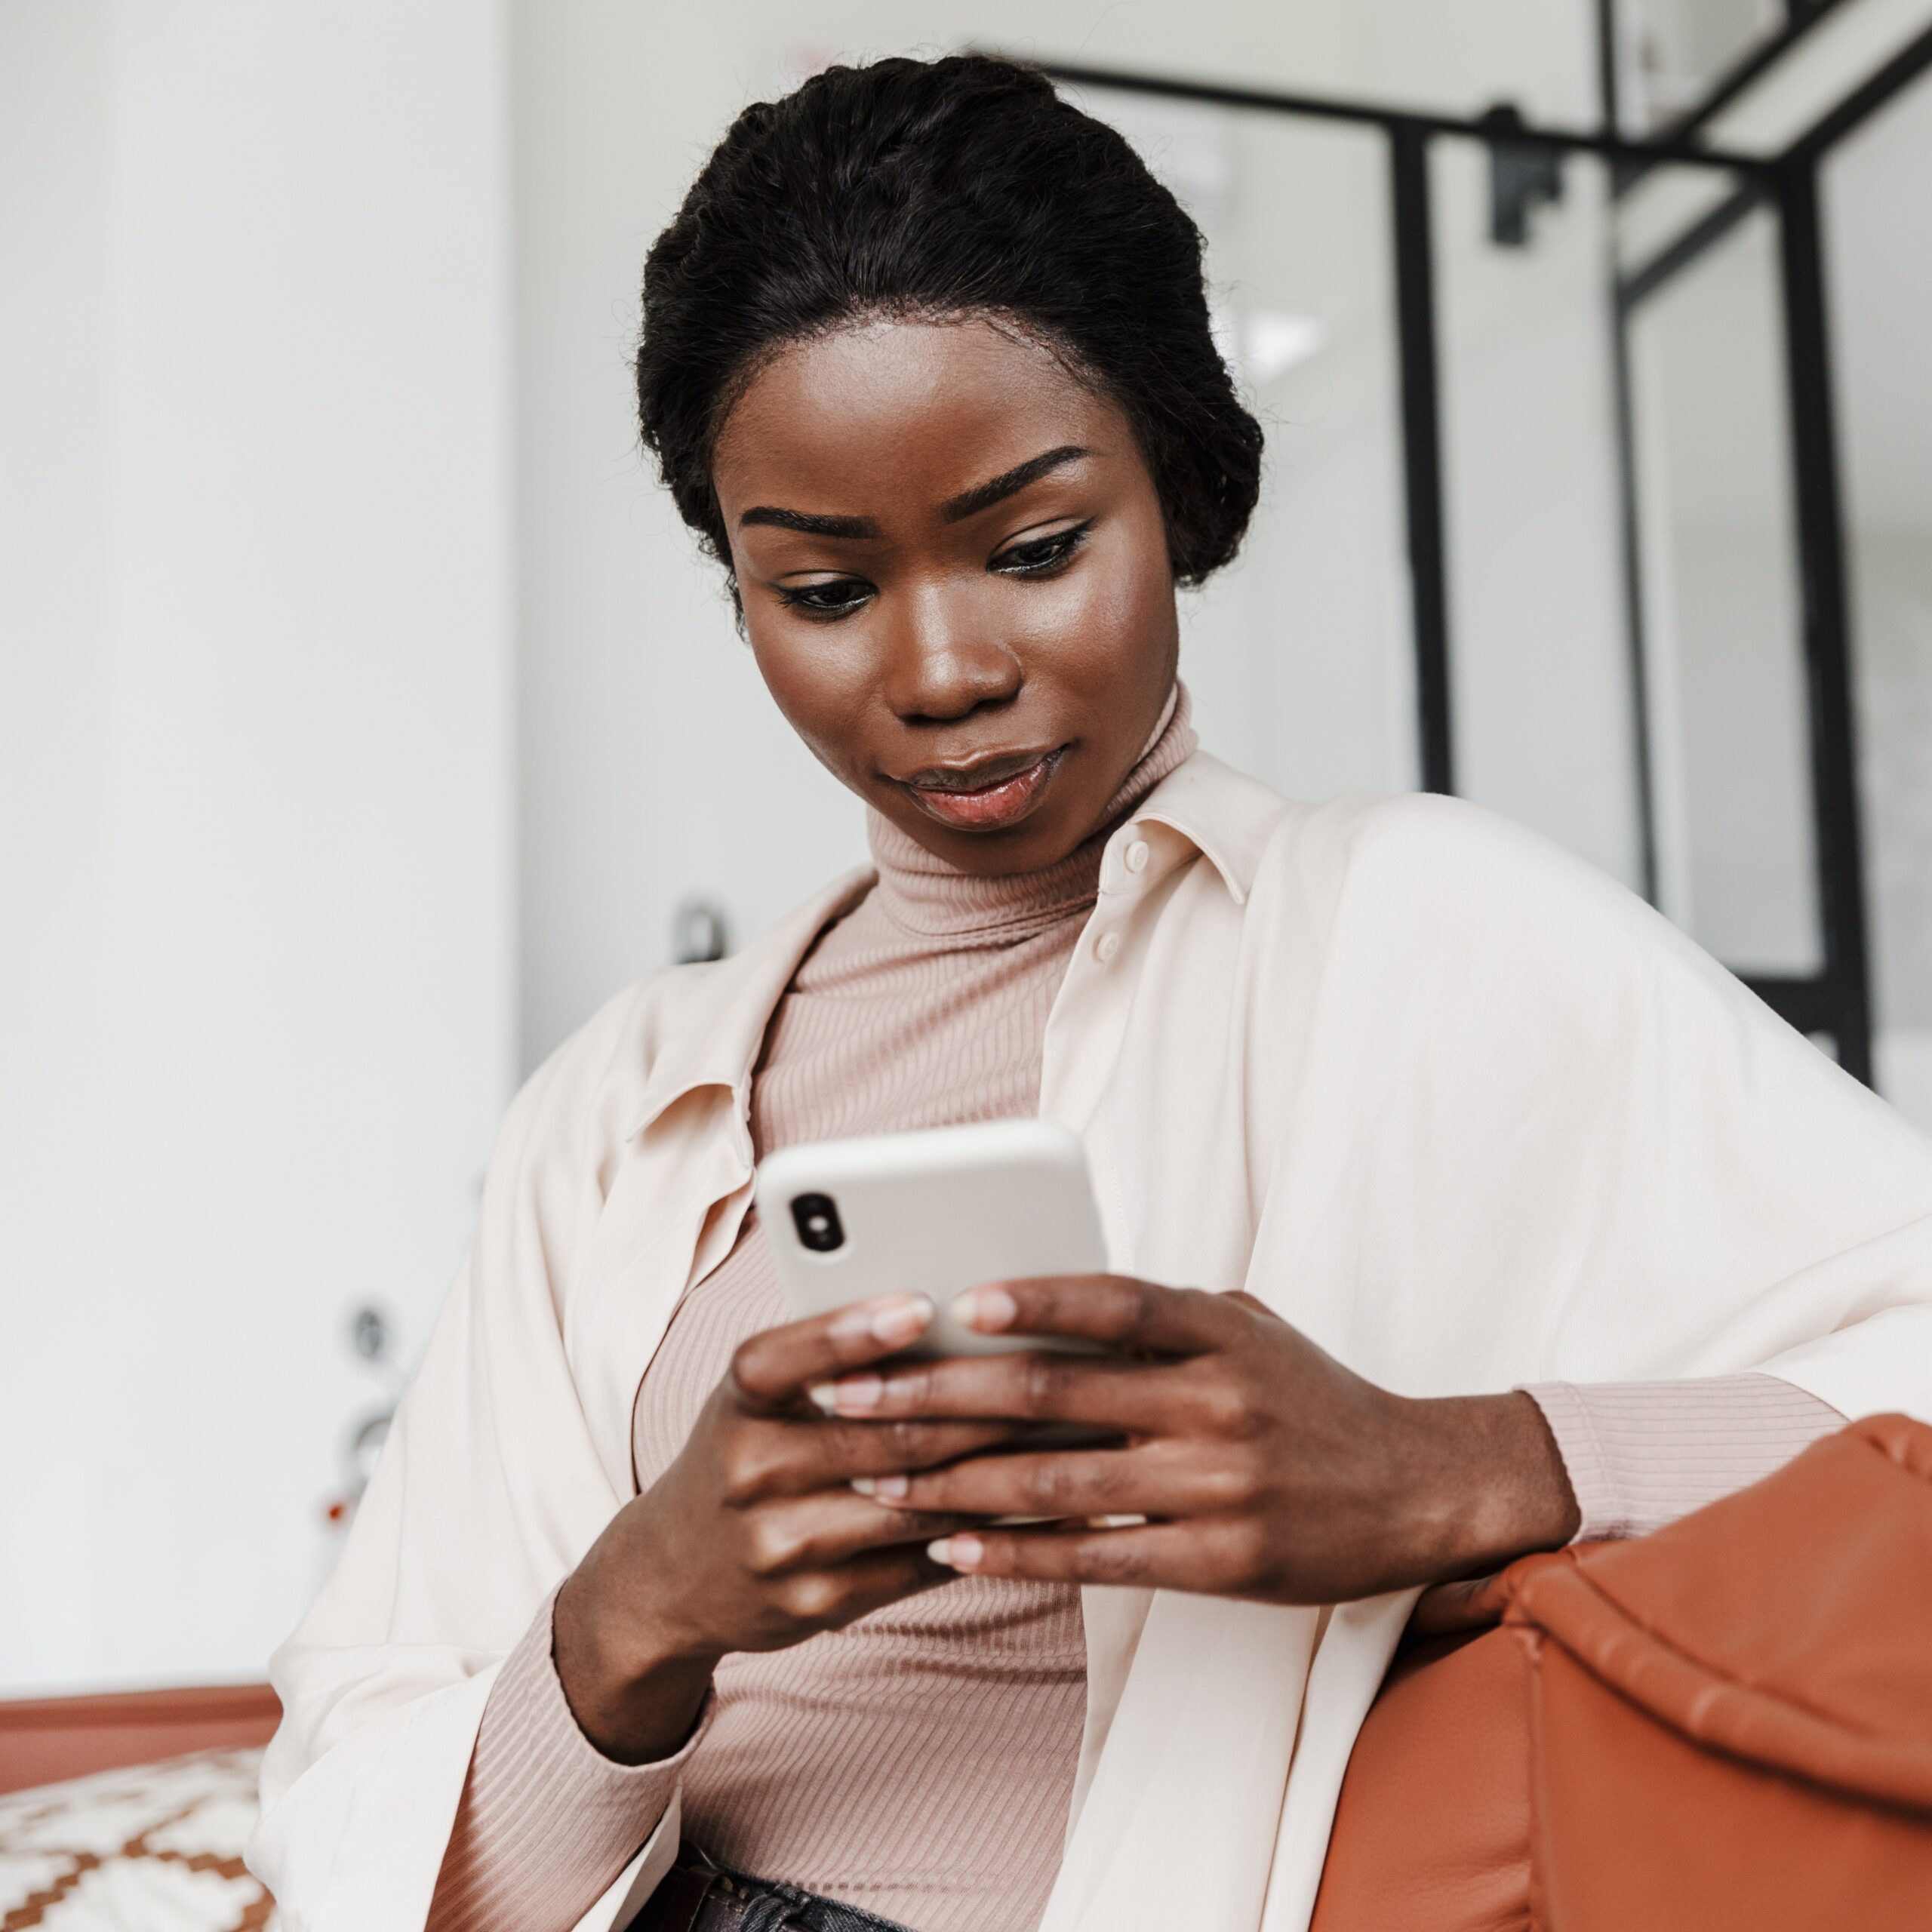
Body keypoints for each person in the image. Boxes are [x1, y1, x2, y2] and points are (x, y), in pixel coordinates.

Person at [248, 54, 1932, 1932]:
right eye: (824, 590)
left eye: (1035, 549)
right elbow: (354, 1819)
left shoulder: (1421, 928)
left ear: (1176, 484)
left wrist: (1464, 1467)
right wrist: (637, 1616)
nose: (941, 669)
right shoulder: (616, 1102)